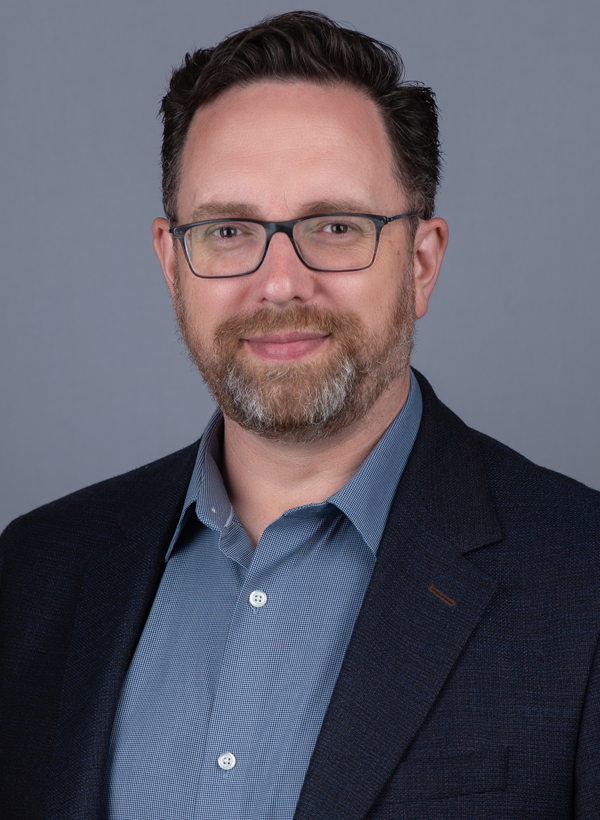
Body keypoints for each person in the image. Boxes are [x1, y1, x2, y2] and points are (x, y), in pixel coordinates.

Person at [1, 10, 599, 819]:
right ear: (172, 264)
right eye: (227, 229)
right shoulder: (34, 575)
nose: (279, 283)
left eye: (336, 226)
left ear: (420, 263)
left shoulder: (582, 582)